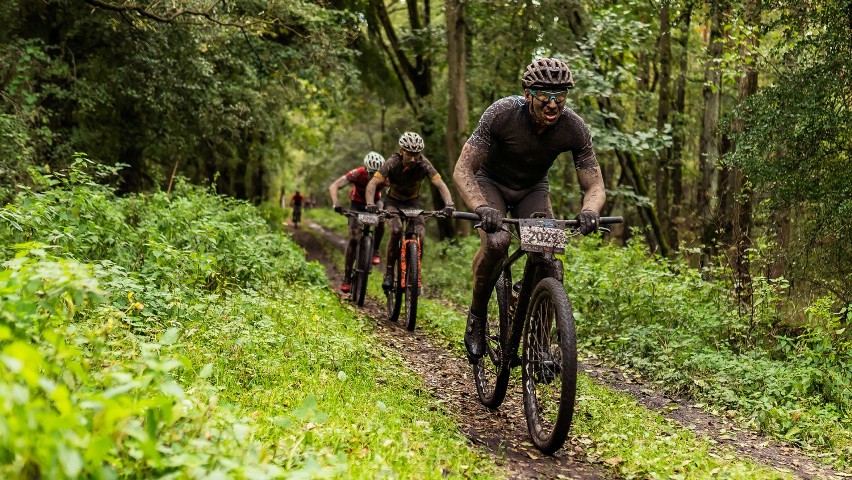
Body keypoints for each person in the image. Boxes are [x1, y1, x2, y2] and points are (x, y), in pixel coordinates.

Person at [452, 57, 606, 362]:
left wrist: (590, 210)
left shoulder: (573, 127)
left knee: (548, 259)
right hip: (491, 182)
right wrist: (481, 206)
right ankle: (477, 316)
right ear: (527, 94)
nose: (553, 105)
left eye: (560, 97)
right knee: (497, 243)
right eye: (545, 96)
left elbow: (595, 184)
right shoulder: (501, 114)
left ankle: (537, 344)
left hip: (533, 190)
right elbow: (463, 169)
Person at [365, 132, 455, 290]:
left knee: (420, 234)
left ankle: (415, 274)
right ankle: (389, 273)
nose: (413, 159)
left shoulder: (424, 163)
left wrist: (449, 204)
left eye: (416, 154)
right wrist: (370, 203)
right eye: (409, 155)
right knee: (396, 230)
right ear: (401, 151)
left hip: (414, 203)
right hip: (393, 202)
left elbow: (440, 184)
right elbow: (373, 184)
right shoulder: (392, 162)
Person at [328, 151, 388, 292]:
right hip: (357, 204)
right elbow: (334, 186)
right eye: (371, 173)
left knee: (382, 217)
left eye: (376, 173)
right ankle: (347, 277)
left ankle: (375, 251)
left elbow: (395, 189)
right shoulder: (357, 173)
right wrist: (336, 203)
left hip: (375, 202)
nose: (373, 176)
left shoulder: (384, 177)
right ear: (366, 169)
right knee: (354, 239)